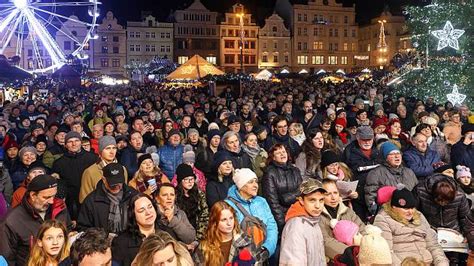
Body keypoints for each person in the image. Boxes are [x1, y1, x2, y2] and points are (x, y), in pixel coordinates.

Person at [0, 174, 70, 265]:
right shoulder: (12, 221)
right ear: (33, 195)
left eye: (53, 196)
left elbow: (68, 233)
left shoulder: (59, 208)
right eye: (46, 197)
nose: (52, 201)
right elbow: (7, 258)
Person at [373, 185, 449, 265]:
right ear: (394, 207)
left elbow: (433, 246)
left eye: (412, 208)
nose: (410, 212)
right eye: (406, 209)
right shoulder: (383, 219)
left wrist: (442, 263)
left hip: (427, 263)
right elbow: (386, 252)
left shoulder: (419, 216)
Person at [225, 168, 278, 259]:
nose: (255, 185)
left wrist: (267, 248)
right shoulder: (228, 205)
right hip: (240, 257)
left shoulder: (261, 201)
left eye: (256, 182)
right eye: (250, 182)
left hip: (263, 254)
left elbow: (271, 226)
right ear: (241, 186)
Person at [194, 201, 268, 265]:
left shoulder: (247, 242)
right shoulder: (204, 247)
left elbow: (258, 263)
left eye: (231, 218)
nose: (229, 223)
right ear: (215, 223)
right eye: (224, 220)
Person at [111, 193, 172, 265]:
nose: (148, 212)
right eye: (141, 210)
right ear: (133, 215)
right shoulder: (121, 242)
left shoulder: (168, 232)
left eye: (150, 207)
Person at [78, 162, 138, 234]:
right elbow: (83, 228)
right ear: (103, 179)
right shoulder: (91, 201)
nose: (116, 186)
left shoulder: (133, 196)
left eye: (119, 182)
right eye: (112, 183)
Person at [279, 178, 327, 266]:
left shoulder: (313, 220)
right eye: (312, 200)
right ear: (301, 200)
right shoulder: (296, 226)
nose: (318, 206)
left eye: (321, 200)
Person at [52, 131, 98, 220]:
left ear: (81, 142)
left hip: (90, 198)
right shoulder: (58, 163)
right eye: (70, 141)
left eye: (76, 140)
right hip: (69, 203)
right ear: (65, 145)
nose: (74, 144)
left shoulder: (93, 158)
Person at [365, 141, 418, 213]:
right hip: (388, 212)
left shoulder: (409, 172)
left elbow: (416, 193)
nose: (397, 156)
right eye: (392, 154)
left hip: (410, 211)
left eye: (398, 153)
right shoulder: (376, 173)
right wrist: (375, 211)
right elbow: (370, 196)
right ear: (385, 157)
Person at [319, 179, 365, 260]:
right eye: (328, 194)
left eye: (335, 193)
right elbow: (326, 242)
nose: (333, 197)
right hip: (339, 258)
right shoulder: (318, 216)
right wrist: (352, 254)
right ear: (321, 196)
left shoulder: (347, 211)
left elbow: (362, 229)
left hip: (359, 254)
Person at [342, 126, 381, 221]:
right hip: (358, 195)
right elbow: (344, 171)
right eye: (364, 140)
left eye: (369, 139)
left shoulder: (379, 150)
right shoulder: (349, 151)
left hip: (376, 193)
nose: (367, 142)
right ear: (358, 138)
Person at [262, 144, 302, 231]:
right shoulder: (270, 173)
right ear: (273, 157)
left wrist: (286, 198)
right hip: (282, 216)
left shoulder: (295, 170)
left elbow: (302, 191)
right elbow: (273, 202)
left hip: (298, 211)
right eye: (278, 153)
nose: (282, 154)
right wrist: (282, 223)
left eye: (283, 152)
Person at [79, 136, 128, 203]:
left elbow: (125, 194)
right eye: (107, 148)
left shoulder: (123, 169)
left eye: (114, 148)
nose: (111, 152)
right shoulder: (90, 172)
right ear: (100, 151)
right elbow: (84, 199)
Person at [175, 163, 209, 240]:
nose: (190, 182)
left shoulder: (199, 194)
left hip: (198, 232)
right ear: (180, 181)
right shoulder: (175, 196)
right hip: (180, 234)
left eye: (192, 179)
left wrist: (198, 237)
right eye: (186, 179)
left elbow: (205, 215)